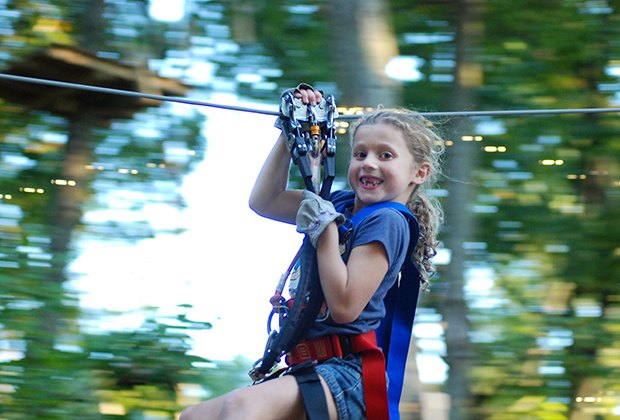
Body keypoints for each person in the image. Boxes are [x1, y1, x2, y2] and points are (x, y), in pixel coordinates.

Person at [180, 85, 444, 420]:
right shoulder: (340, 205)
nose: (368, 164)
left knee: (242, 408)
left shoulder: (388, 221)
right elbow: (266, 201)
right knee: (194, 416)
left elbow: (345, 306)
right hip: (310, 365)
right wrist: (290, 135)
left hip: (347, 374)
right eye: (360, 154)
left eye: (385, 156)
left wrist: (324, 232)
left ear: (418, 173)